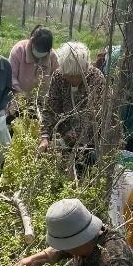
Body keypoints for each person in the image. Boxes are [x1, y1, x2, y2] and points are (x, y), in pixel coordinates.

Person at [39, 42, 105, 175]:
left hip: (90, 144)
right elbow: (51, 108)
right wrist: (45, 136)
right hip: (64, 137)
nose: (74, 79)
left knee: (85, 173)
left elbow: (89, 121)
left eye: (78, 75)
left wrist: (62, 142)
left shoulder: (97, 79)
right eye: (69, 75)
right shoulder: (58, 76)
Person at [8, 25, 59, 103]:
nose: (40, 54)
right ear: (32, 42)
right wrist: (20, 94)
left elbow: (57, 78)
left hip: (42, 103)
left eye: (43, 52)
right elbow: (11, 76)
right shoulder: (19, 50)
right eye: (38, 50)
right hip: (19, 100)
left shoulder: (52, 56)